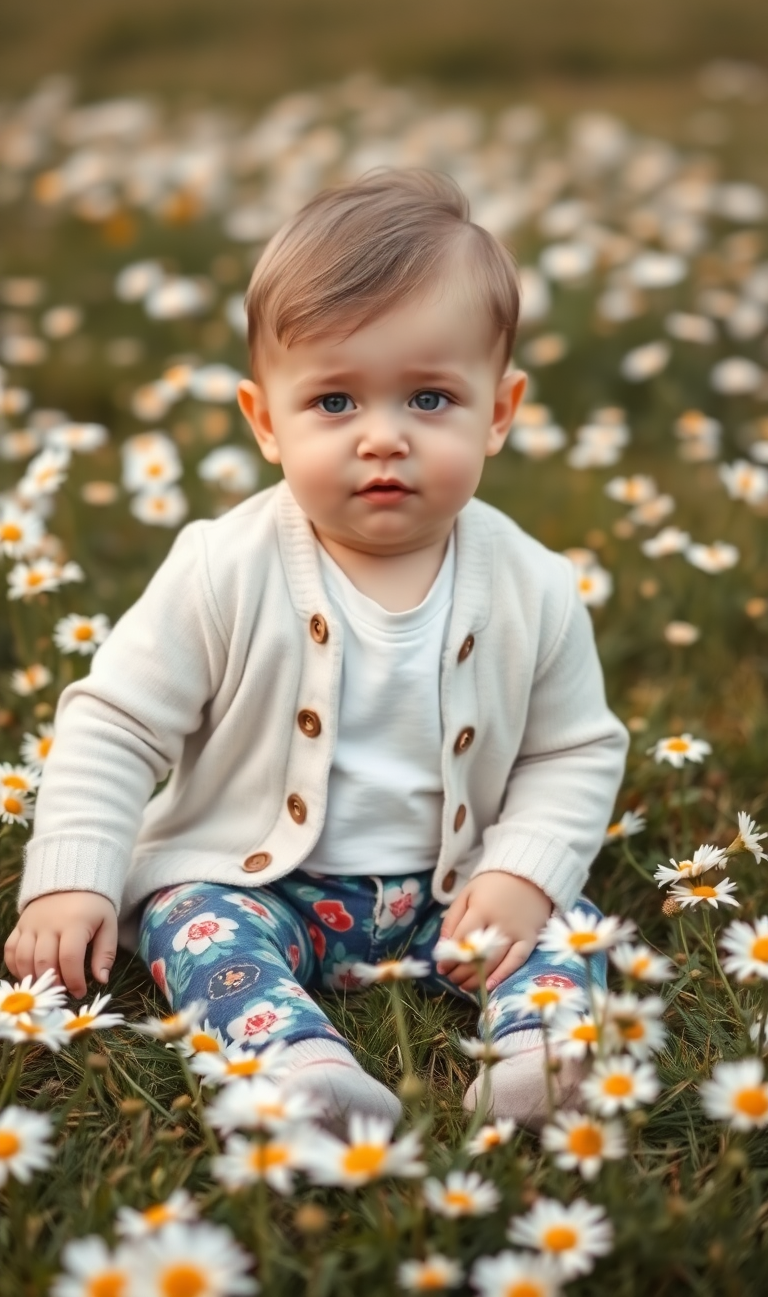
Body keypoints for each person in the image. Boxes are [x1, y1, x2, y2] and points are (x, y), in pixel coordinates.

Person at [4, 169, 628, 1130]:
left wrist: (523, 869)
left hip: (450, 894)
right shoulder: (224, 566)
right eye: (335, 403)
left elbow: (573, 749)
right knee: (189, 920)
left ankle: (538, 1057)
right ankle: (301, 1065)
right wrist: (76, 874)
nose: (384, 438)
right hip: (261, 882)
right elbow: (116, 724)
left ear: (498, 413)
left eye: (429, 399)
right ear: (265, 421)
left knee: (566, 922)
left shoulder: (533, 583)